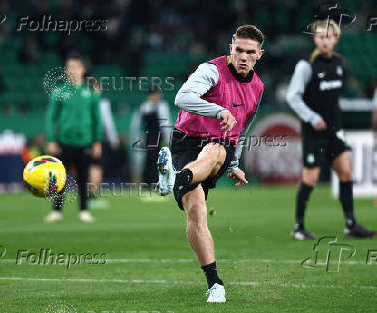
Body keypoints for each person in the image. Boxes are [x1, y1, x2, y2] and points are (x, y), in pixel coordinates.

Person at [155, 25, 265, 303]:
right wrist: (219, 110)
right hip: (186, 141)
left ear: (259, 55)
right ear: (231, 48)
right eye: (238, 50)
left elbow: (243, 127)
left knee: (216, 150)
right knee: (196, 209)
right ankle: (214, 283)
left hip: (220, 146)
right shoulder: (211, 71)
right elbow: (181, 98)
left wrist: (234, 163)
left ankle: (175, 178)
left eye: (249, 52)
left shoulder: (258, 87)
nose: (242, 56)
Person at [286, 19, 376, 240]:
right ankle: (298, 228)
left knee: (346, 173)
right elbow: (292, 96)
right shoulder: (306, 65)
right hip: (314, 133)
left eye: (328, 37)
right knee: (311, 178)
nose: (324, 41)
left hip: (335, 130)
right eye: (319, 37)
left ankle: (350, 224)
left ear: (335, 38)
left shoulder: (339, 63)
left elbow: (333, 99)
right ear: (315, 39)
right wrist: (312, 117)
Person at [45, 52, 102, 223]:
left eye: (76, 67)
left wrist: (97, 141)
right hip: (64, 140)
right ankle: (56, 211)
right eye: (70, 67)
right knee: (60, 177)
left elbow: (96, 120)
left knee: (84, 178)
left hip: (84, 141)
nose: (73, 70)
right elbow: (51, 117)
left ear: (83, 69)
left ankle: (84, 210)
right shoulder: (58, 91)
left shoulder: (90, 92)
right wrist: (51, 139)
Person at [130, 86, 171, 184]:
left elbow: (165, 124)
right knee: (149, 160)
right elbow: (136, 125)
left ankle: (157, 182)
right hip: (147, 137)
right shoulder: (143, 107)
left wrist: (168, 139)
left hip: (159, 138)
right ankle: (149, 182)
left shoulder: (162, 106)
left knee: (159, 160)